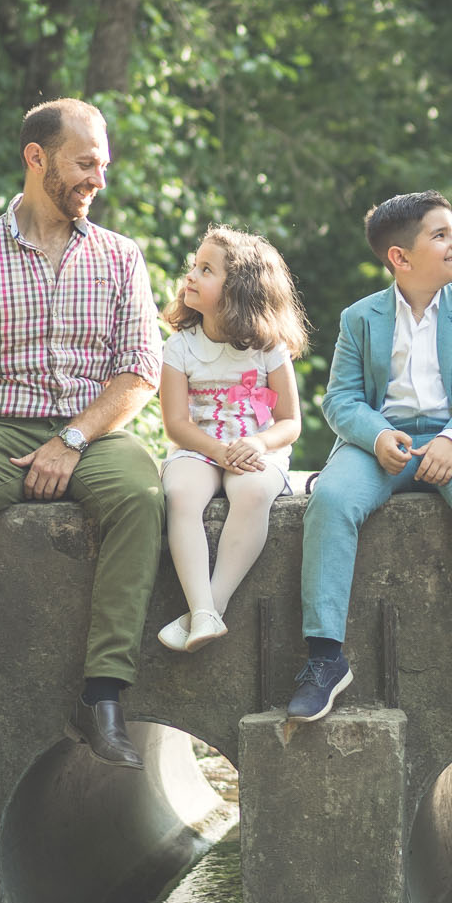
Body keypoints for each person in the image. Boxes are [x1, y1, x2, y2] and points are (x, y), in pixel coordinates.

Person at [0, 98, 163, 770]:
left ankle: (102, 693)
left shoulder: (120, 257)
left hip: (93, 431)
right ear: (35, 158)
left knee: (141, 494)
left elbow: (138, 372)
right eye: (84, 164)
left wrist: (73, 439)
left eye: (102, 166)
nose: (96, 179)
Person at [286, 191, 452, 722]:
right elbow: (341, 398)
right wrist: (375, 436)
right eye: (440, 235)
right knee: (329, 498)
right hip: (384, 442)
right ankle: (325, 659)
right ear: (400, 257)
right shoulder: (361, 318)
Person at [156, 226, 308, 652]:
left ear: (239, 289)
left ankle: (208, 609)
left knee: (254, 492)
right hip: (199, 448)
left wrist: (258, 444)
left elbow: (289, 422)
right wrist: (216, 451)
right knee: (181, 495)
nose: (191, 275)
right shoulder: (180, 347)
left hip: (254, 448)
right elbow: (176, 423)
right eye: (194, 266)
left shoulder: (267, 348)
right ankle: (201, 607)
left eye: (206, 270)